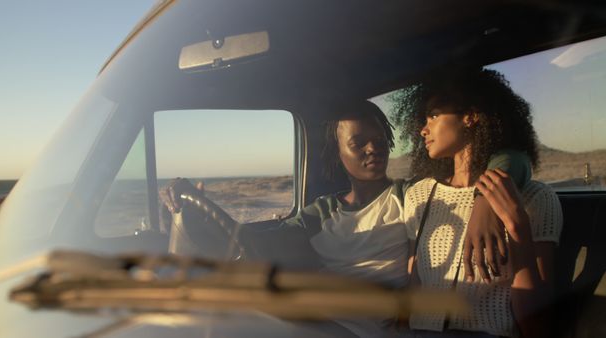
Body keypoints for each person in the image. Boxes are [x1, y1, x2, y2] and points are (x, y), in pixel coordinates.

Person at [159, 100, 531, 337]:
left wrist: (484, 197)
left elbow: (514, 158)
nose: (374, 148)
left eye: (380, 139)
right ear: (338, 155)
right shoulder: (321, 212)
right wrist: (197, 206)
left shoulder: (410, 196)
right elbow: (250, 242)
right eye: (358, 143)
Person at [396, 68, 563, 337]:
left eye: (434, 115)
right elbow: (414, 285)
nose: (423, 129)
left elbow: (536, 326)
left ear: (471, 116)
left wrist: (516, 224)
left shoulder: (535, 197)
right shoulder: (419, 195)